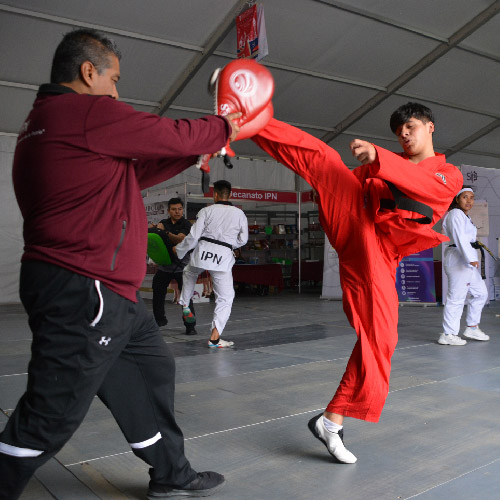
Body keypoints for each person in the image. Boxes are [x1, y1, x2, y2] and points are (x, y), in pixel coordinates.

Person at [0, 28, 242, 500]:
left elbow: (136, 169)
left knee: (153, 373)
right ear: (88, 72)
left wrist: (197, 150)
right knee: (52, 415)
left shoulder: (50, 123)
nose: (117, 92)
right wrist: (225, 125)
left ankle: (171, 474)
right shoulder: (83, 111)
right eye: (114, 79)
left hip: (110, 294)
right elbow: (163, 133)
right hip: (84, 290)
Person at [249, 102, 463, 463]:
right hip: (356, 225)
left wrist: (380, 156)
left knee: (381, 338)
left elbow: (427, 188)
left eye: (410, 126)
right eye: (398, 131)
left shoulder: (447, 173)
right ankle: (249, 119)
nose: (404, 134)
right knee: (324, 158)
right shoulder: (375, 168)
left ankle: (331, 421)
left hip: (381, 254)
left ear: (430, 127)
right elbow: (346, 185)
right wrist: (358, 171)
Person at [174, 180, 248, 348]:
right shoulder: (239, 214)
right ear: (230, 194)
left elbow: (193, 237)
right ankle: (214, 337)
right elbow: (243, 240)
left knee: (189, 272)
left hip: (203, 251)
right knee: (225, 298)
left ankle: (185, 304)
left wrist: (179, 250)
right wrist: (229, 244)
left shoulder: (206, 211)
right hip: (222, 257)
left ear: (215, 194)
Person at [438, 186, 489, 346]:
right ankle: (448, 334)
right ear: (457, 199)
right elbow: (460, 237)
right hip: (458, 259)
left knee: (481, 293)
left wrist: (471, 257)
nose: (469, 201)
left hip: (468, 260)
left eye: (471, 198)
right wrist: (469, 257)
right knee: (456, 298)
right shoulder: (455, 214)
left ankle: (472, 327)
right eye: (465, 197)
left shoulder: (465, 216)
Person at [151, 197, 197, 335]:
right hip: (165, 264)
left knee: (186, 297)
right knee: (157, 290)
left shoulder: (186, 224)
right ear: (168, 211)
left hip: (182, 266)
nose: (177, 211)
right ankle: (159, 320)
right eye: (174, 209)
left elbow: (181, 239)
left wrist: (164, 232)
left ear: (182, 210)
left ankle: (190, 326)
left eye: (179, 209)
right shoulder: (163, 222)